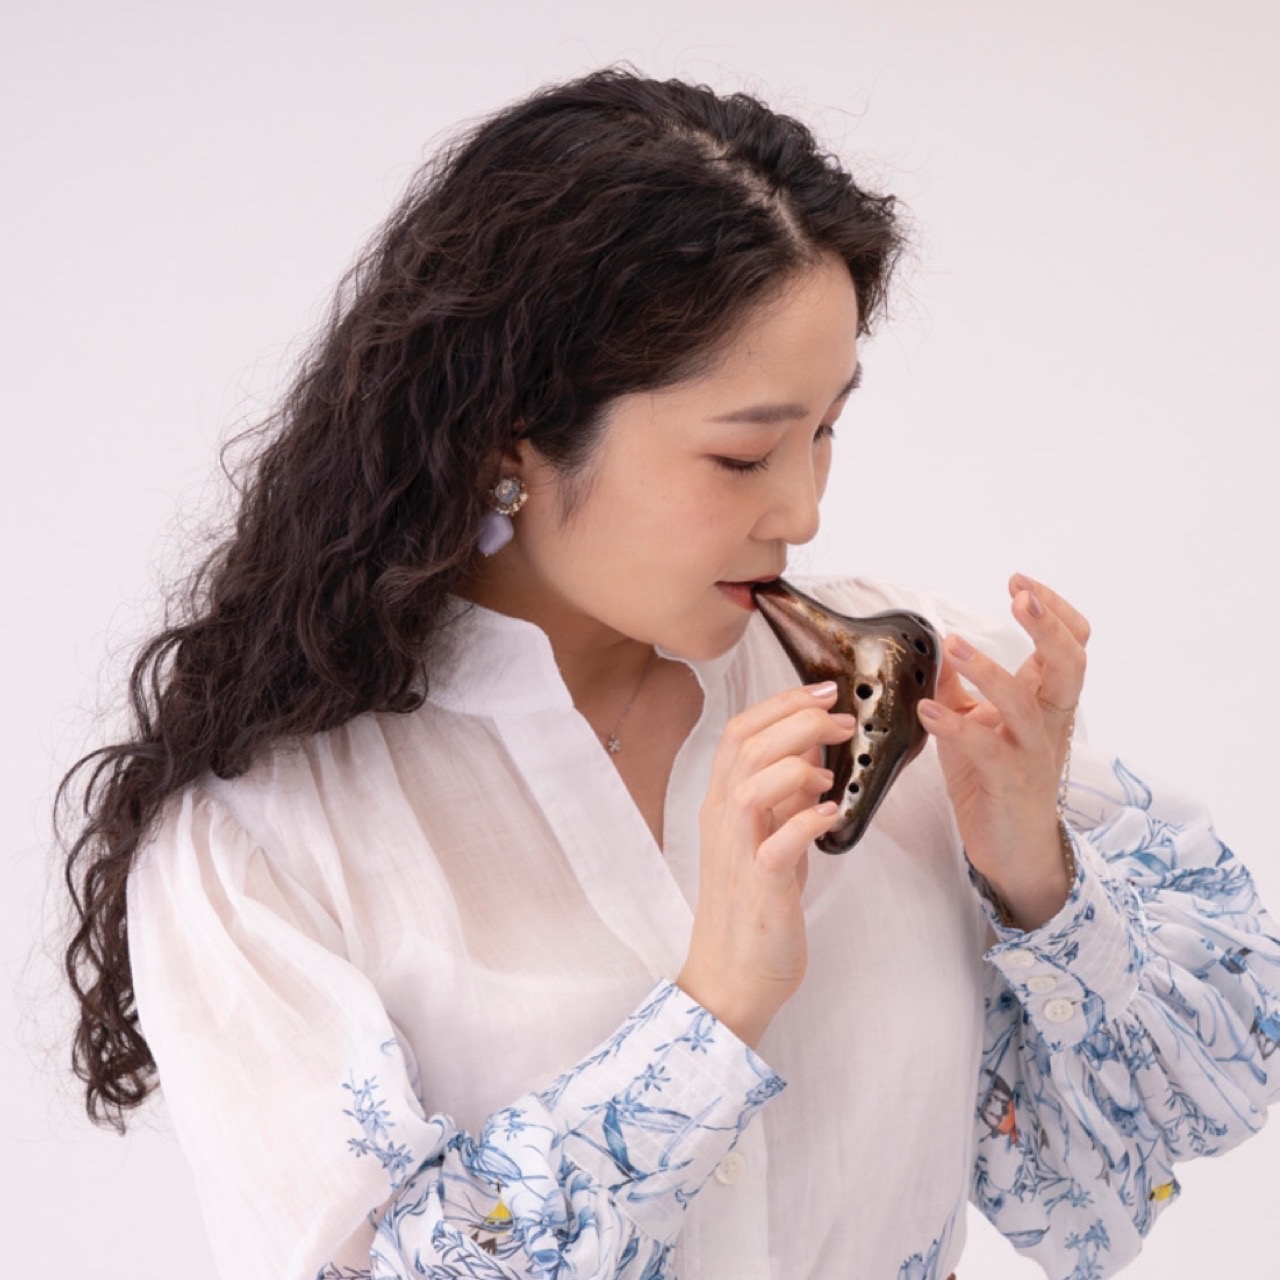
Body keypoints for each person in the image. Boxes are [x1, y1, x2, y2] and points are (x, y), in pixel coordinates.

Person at [57, 66, 1280, 1280]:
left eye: (824, 429)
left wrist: (1035, 877)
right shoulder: (267, 843)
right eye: (742, 455)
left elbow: (1191, 1103)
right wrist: (711, 1008)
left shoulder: (909, 702)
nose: (801, 510)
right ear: (510, 441)